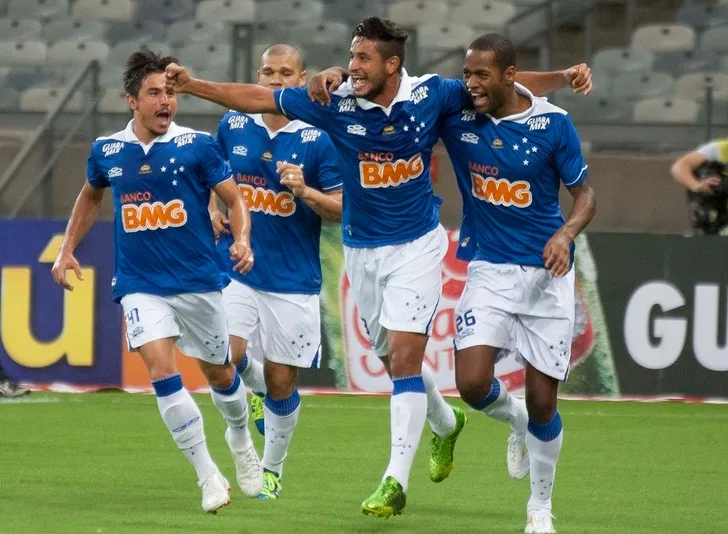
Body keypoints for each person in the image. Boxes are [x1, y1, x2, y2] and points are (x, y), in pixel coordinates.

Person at [164, 17, 590, 518]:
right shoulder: (335, 100)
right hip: (363, 252)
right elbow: (255, 99)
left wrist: (562, 76)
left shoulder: (433, 95)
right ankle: (444, 421)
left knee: (406, 363)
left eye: (363, 58)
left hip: (418, 246)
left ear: (392, 64)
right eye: (351, 56)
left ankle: (395, 480)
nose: (352, 66)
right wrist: (193, 85)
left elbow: (499, 85)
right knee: (392, 360)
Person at [50, 49, 263, 513]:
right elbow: (90, 196)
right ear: (132, 101)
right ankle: (209, 476)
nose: (166, 100)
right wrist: (67, 248)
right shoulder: (106, 150)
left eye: (170, 92)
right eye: (155, 93)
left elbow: (236, 198)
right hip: (140, 283)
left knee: (220, 375)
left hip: (198, 281)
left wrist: (242, 239)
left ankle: (243, 443)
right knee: (163, 374)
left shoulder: (198, 145)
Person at [438, 34, 596, 533]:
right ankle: (515, 419)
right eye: (467, 74)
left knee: (546, 401)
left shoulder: (552, 124)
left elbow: (585, 194)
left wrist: (566, 234)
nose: (471, 84)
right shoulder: (459, 115)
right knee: (471, 384)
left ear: (509, 75)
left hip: (547, 277)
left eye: (482, 75)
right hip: (489, 268)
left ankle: (540, 508)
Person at [209, 43, 343, 500]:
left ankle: (273, 470)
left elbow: (341, 210)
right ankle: (245, 438)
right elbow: (214, 175)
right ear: (257, 75)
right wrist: (212, 204)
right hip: (238, 267)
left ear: (302, 78)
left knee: (283, 381)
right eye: (268, 72)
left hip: (293, 280)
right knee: (222, 352)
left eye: (286, 73)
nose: (275, 80)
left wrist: (305, 191)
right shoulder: (233, 124)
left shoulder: (319, 136)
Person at [670, 138, 728, 235]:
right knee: (707, 174)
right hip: (717, 214)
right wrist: (696, 185)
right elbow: (679, 167)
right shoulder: (721, 148)